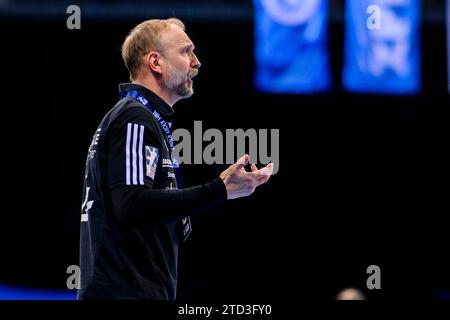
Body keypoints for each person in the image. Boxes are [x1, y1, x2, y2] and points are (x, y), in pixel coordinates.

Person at [77, 18, 273, 300]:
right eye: (186, 51)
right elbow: (131, 203)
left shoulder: (142, 119)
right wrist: (220, 189)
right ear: (155, 62)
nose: (197, 62)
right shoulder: (134, 117)